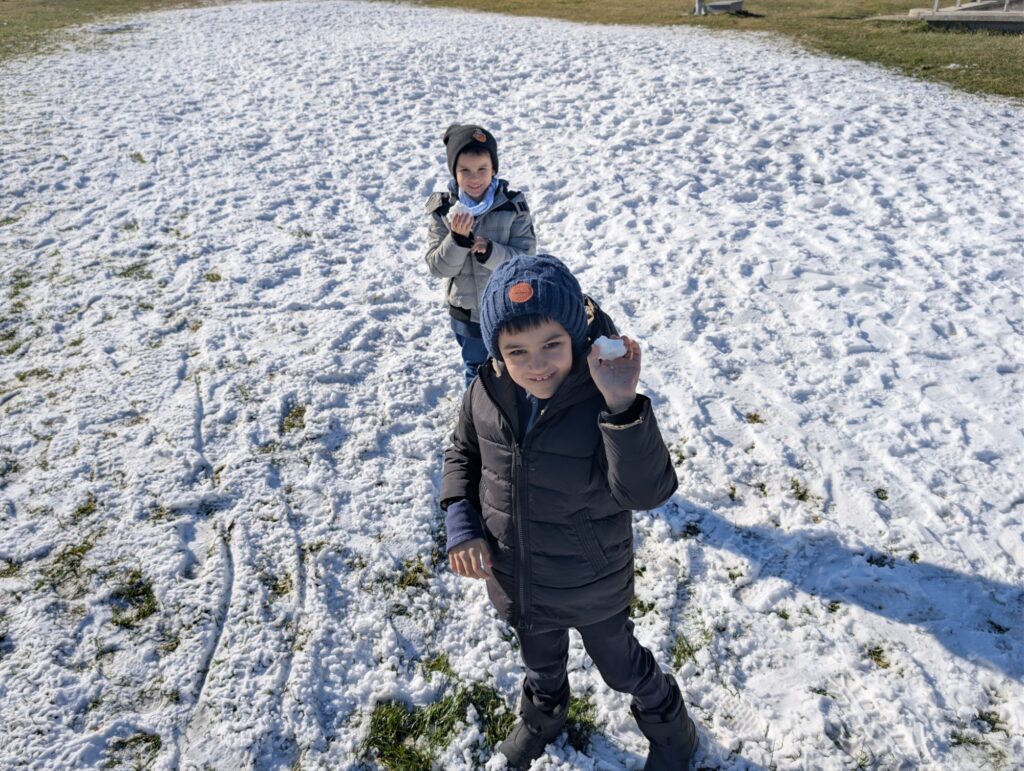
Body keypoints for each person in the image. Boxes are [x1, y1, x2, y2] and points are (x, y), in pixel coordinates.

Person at [439, 254, 698, 770]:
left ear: (577, 338)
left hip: (590, 581)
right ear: (496, 352)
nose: (536, 365)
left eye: (552, 345)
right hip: (518, 577)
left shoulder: (600, 396)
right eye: (517, 352)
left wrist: (623, 406)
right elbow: (462, 453)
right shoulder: (485, 390)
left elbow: (645, 492)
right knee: (540, 665)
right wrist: (461, 523)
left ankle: (671, 727)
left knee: (622, 667)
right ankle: (543, 717)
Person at [424, 124, 537, 387]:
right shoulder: (444, 211)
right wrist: (457, 240)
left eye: (482, 169)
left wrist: (492, 252)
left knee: (514, 368)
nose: (474, 178)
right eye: (465, 170)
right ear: (454, 172)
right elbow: (438, 268)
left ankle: (513, 411)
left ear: (493, 169)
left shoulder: (512, 206)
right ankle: (475, 412)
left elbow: (526, 260)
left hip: (508, 308)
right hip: (467, 314)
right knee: (476, 370)